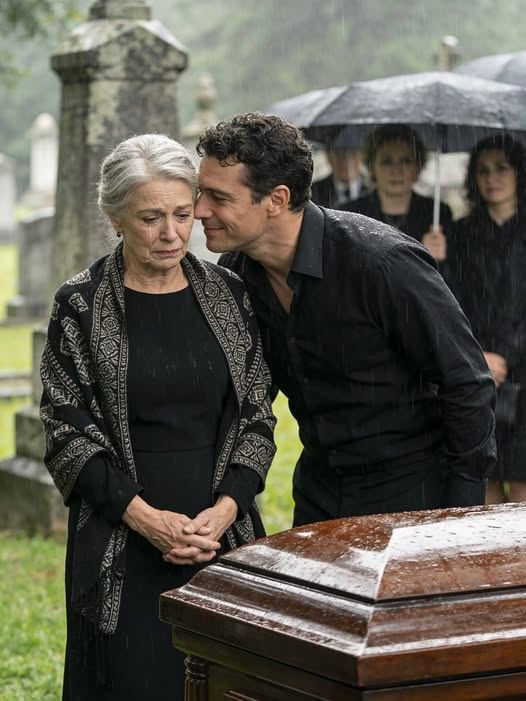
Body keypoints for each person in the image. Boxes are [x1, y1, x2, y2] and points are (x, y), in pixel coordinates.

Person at [39, 134, 276, 700]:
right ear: (116, 218)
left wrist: (223, 512)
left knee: (222, 683)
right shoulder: (80, 304)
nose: (171, 233)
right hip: (121, 539)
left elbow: (257, 416)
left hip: (220, 537)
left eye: (181, 214)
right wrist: (148, 521)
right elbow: (66, 433)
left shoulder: (228, 293)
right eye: (151, 218)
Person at [194, 112, 496, 528]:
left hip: (413, 494)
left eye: (218, 197)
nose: (199, 210)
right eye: (201, 193)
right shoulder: (236, 273)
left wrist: (460, 516)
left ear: (277, 200)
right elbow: (244, 396)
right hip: (318, 491)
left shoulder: (381, 262)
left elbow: (466, 382)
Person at [446, 134, 526, 505]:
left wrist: (505, 355)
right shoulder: (459, 233)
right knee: (485, 485)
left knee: (522, 491)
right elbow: (451, 303)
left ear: (518, 173)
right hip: (476, 372)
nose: (492, 178)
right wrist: (480, 355)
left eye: (501, 168)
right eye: (483, 170)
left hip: (523, 373)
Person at [342, 124, 453, 265]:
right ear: (372, 167)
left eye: (405, 161)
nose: (396, 170)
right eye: (387, 162)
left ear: (417, 167)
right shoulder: (350, 214)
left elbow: (454, 274)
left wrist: (436, 261)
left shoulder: (438, 214)